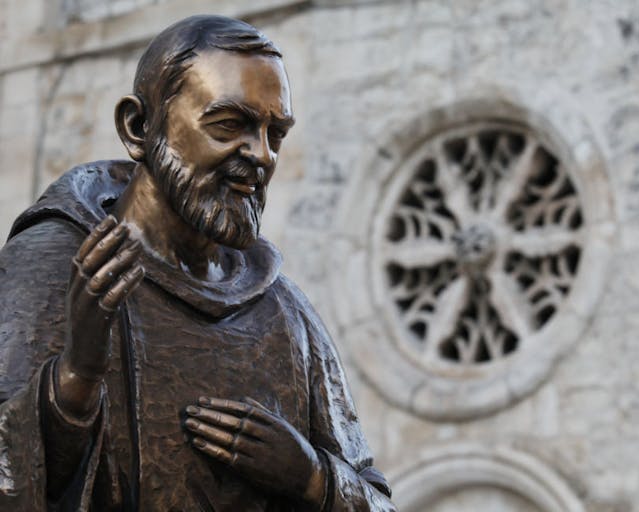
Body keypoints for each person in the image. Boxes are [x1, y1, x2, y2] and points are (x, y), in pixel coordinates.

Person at [0, 15, 396, 511]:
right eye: (230, 124)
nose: (262, 155)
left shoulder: (288, 317)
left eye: (276, 133)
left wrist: (312, 477)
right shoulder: (54, 264)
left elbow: (378, 502)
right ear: (139, 127)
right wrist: (76, 377)